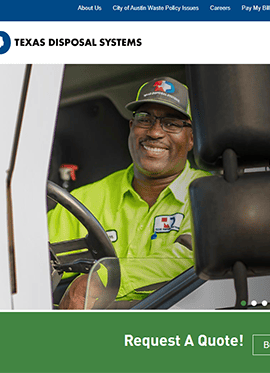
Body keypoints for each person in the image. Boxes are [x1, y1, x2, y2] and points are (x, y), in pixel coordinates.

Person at [48, 77, 210, 309]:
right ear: (132, 128)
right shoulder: (83, 200)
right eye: (145, 119)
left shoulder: (209, 195)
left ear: (192, 138)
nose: (155, 132)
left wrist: (101, 280)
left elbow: (190, 257)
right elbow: (36, 255)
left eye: (172, 123)